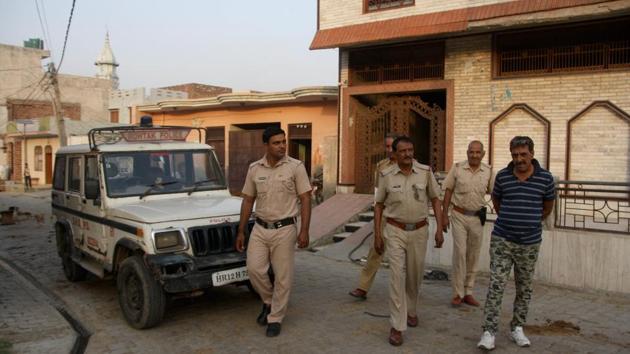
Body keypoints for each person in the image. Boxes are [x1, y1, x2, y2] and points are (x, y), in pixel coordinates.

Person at [477, 136, 555, 350]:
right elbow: (497, 201)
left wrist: (528, 221)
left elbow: (547, 207)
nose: (519, 159)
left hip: (529, 243)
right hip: (503, 240)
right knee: (496, 285)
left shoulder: (545, 178)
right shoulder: (502, 176)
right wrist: (512, 219)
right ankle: (489, 331)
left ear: (532, 154)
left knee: (524, 287)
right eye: (515, 155)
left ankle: (517, 328)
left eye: (523, 154)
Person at [235, 126, 312, 338]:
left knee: (283, 277)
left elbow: (306, 198)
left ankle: (275, 317)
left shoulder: (296, 167)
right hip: (260, 228)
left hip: (285, 228)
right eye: (276, 143)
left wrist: (304, 230)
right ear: (266, 145)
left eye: (283, 142)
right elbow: (248, 199)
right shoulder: (255, 169)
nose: (282, 146)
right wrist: (241, 231)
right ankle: (269, 302)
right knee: (254, 270)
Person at [373, 136, 443, 346]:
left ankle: (411, 309)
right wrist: (377, 234)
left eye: (410, 150)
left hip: (419, 231)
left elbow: (436, 199)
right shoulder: (386, 175)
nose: (408, 154)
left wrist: (440, 228)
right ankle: (397, 325)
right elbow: (378, 206)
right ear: (394, 154)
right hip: (395, 230)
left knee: (414, 275)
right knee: (397, 277)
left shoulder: (425, 172)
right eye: (402, 151)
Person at [442, 141, 493, 307]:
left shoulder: (489, 172)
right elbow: (448, 190)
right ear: (467, 152)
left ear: (483, 154)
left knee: (473, 254)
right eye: (471, 152)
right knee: (460, 253)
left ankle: (468, 291)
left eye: (478, 152)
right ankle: (458, 293)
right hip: (459, 215)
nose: (474, 155)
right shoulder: (457, 168)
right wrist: (444, 216)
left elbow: (496, 193)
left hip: (477, 218)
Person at [349, 133, 398, 300]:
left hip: (403, 217)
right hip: (385, 215)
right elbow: (378, 195)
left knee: (405, 259)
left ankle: (408, 293)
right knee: (375, 251)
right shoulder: (381, 166)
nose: (390, 150)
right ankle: (363, 287)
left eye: (393, 146)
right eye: (387, 146)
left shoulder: (411, 165)